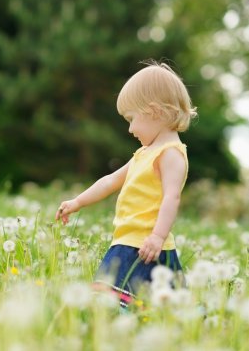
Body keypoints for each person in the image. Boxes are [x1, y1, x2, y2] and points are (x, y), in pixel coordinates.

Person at [55, 61, 197, 308]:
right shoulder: (144, 153)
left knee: (117, 302)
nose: (130, 129)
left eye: (131, 119)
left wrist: (158, 236)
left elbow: (171, 198)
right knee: (133, 304)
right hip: (126, 241)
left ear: (154, 112)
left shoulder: (171, 154)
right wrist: (77, 202)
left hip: (146, 246)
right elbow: (110, 181)